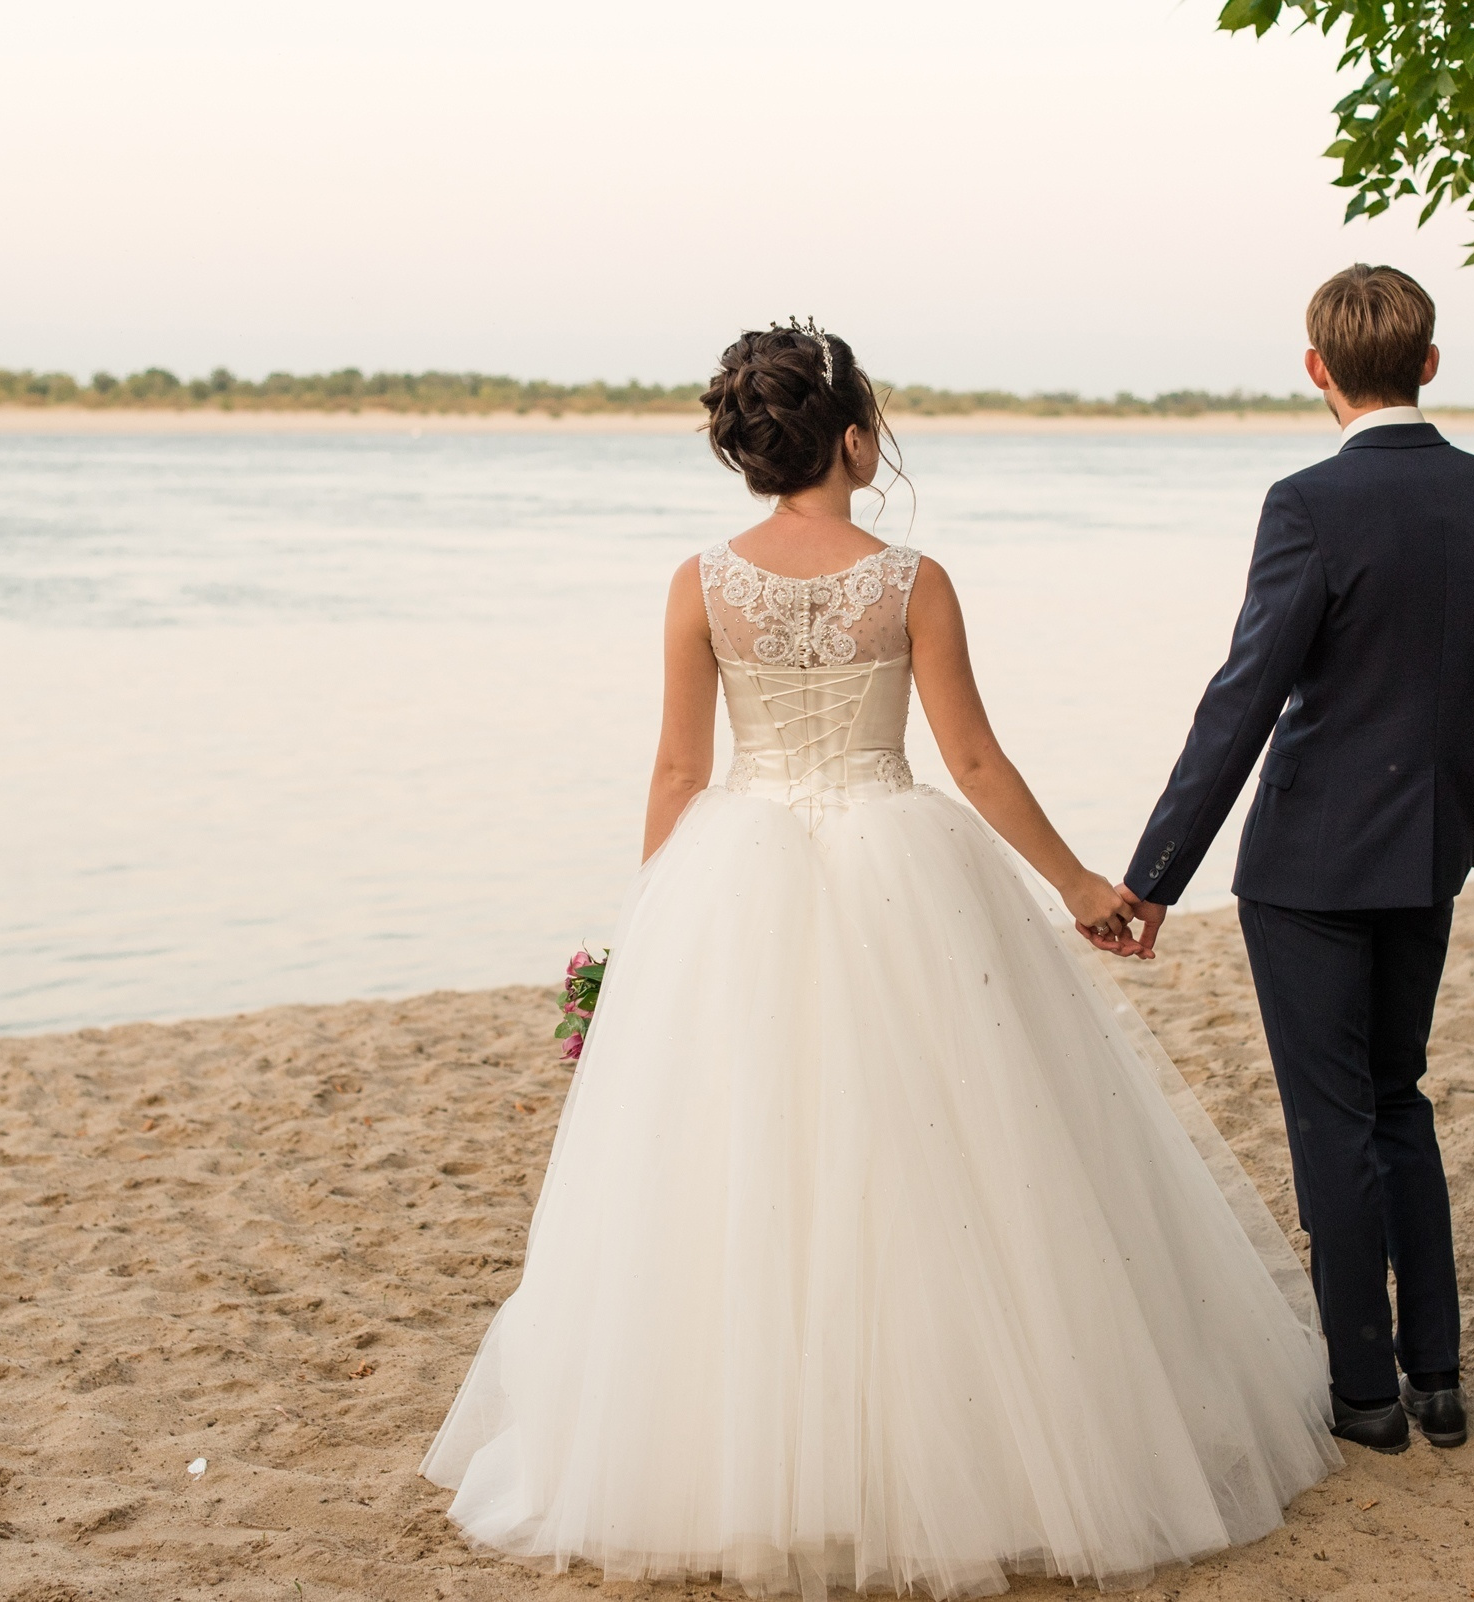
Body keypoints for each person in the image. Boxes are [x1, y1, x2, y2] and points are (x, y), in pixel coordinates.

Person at [418, 321, 1339, 1597]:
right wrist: (1081, 886)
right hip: (899, 861)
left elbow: (680, 771)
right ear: (853, 440)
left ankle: (750, 1462)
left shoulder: (699, 583)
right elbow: (974, 762)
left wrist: (653, 933)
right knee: (948, 1153)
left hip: (735, 871)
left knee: (743, 1160)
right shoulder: (912, 581)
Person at [1116, 265, 1474, 1454]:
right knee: (1398, 1097)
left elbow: (1244, 699)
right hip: (1425, 863)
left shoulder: (1307, 503)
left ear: (1317, 369)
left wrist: (1153, 876)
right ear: (1430, 363)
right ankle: (1439, 1380)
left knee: (1332, 1122)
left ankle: (1365, 1394)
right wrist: (1456, 828)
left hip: (1307, 868)